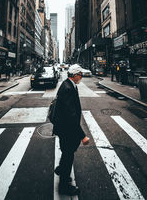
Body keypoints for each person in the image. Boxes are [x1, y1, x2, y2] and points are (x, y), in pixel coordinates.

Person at [53, 64, 90, 196]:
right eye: (80, 75)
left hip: (64, 128)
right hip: (67, 130)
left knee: (66, 152)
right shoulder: (68, 88)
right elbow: (71, 116)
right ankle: (64, 186)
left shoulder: (67, 84)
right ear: (75, 75)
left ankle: (61, 170)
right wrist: (83, 135)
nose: (81, 77)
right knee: (68, 155)